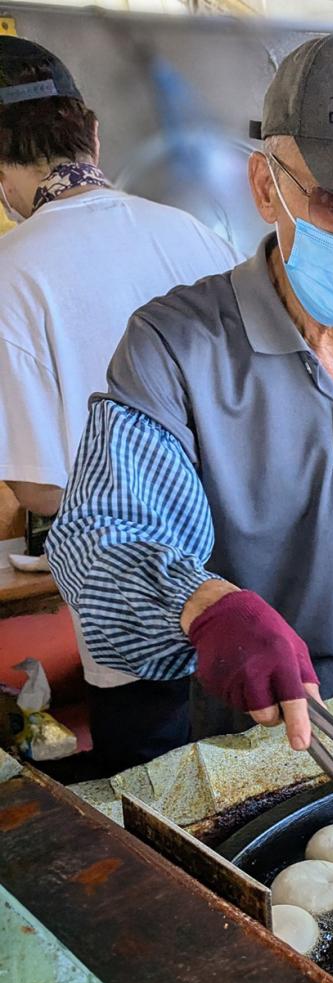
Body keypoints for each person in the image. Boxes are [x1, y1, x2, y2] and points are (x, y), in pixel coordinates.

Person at [47, 33, 333, 774]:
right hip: (268, 712)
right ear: (267, 187)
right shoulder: (176, 347)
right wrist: (207, 606)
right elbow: (105, 534)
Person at [0, 36, 243, 766]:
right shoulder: (199, 237)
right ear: (92, 131)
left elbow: (42, 487)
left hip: (134, 637)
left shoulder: (10, 274)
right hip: (244, 611)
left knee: (169, 851)